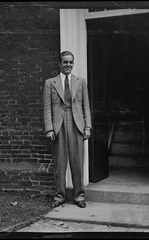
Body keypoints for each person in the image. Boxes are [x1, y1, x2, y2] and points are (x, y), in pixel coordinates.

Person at [43, 51, 92, 208]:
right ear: (60, 63)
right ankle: (59, 196)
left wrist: (88, 127)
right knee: (60, 163)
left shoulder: (81, 82)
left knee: (77, 163)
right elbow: (47, 108)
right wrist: (49, 129)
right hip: (59, 126)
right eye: (65, 62)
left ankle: (79, 196)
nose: (68, 65)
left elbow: (86, 106)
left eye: (71, 62)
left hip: (77, 125)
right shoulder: (50, 83)